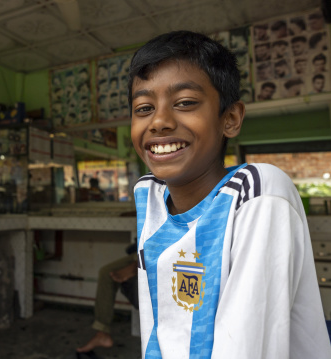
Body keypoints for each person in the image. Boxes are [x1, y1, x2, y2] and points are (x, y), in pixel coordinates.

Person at [128, 30, 331, 358]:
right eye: (143, 108)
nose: (159, 121)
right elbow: (161, 328)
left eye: (185, 103)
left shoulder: (256, 194)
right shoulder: (150, 199)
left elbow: (244, 347)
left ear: (231, 119)